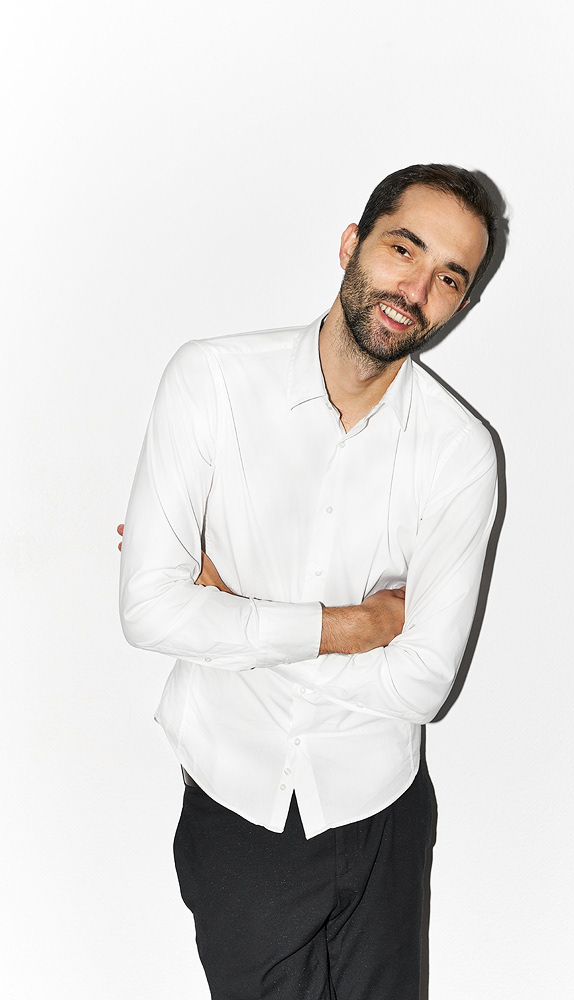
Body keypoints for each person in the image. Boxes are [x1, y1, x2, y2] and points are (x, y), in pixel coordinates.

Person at [119, 163, 501, 1000]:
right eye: (403, 249)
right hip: (238, 807)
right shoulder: (211, 382)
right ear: (350, 243)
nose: (415, 290)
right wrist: (351, 628)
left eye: (448, 278)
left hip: (382, 810)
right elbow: (148, 611)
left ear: (461, 306)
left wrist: (229, 617)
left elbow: (422, 685)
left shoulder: (459, 453)